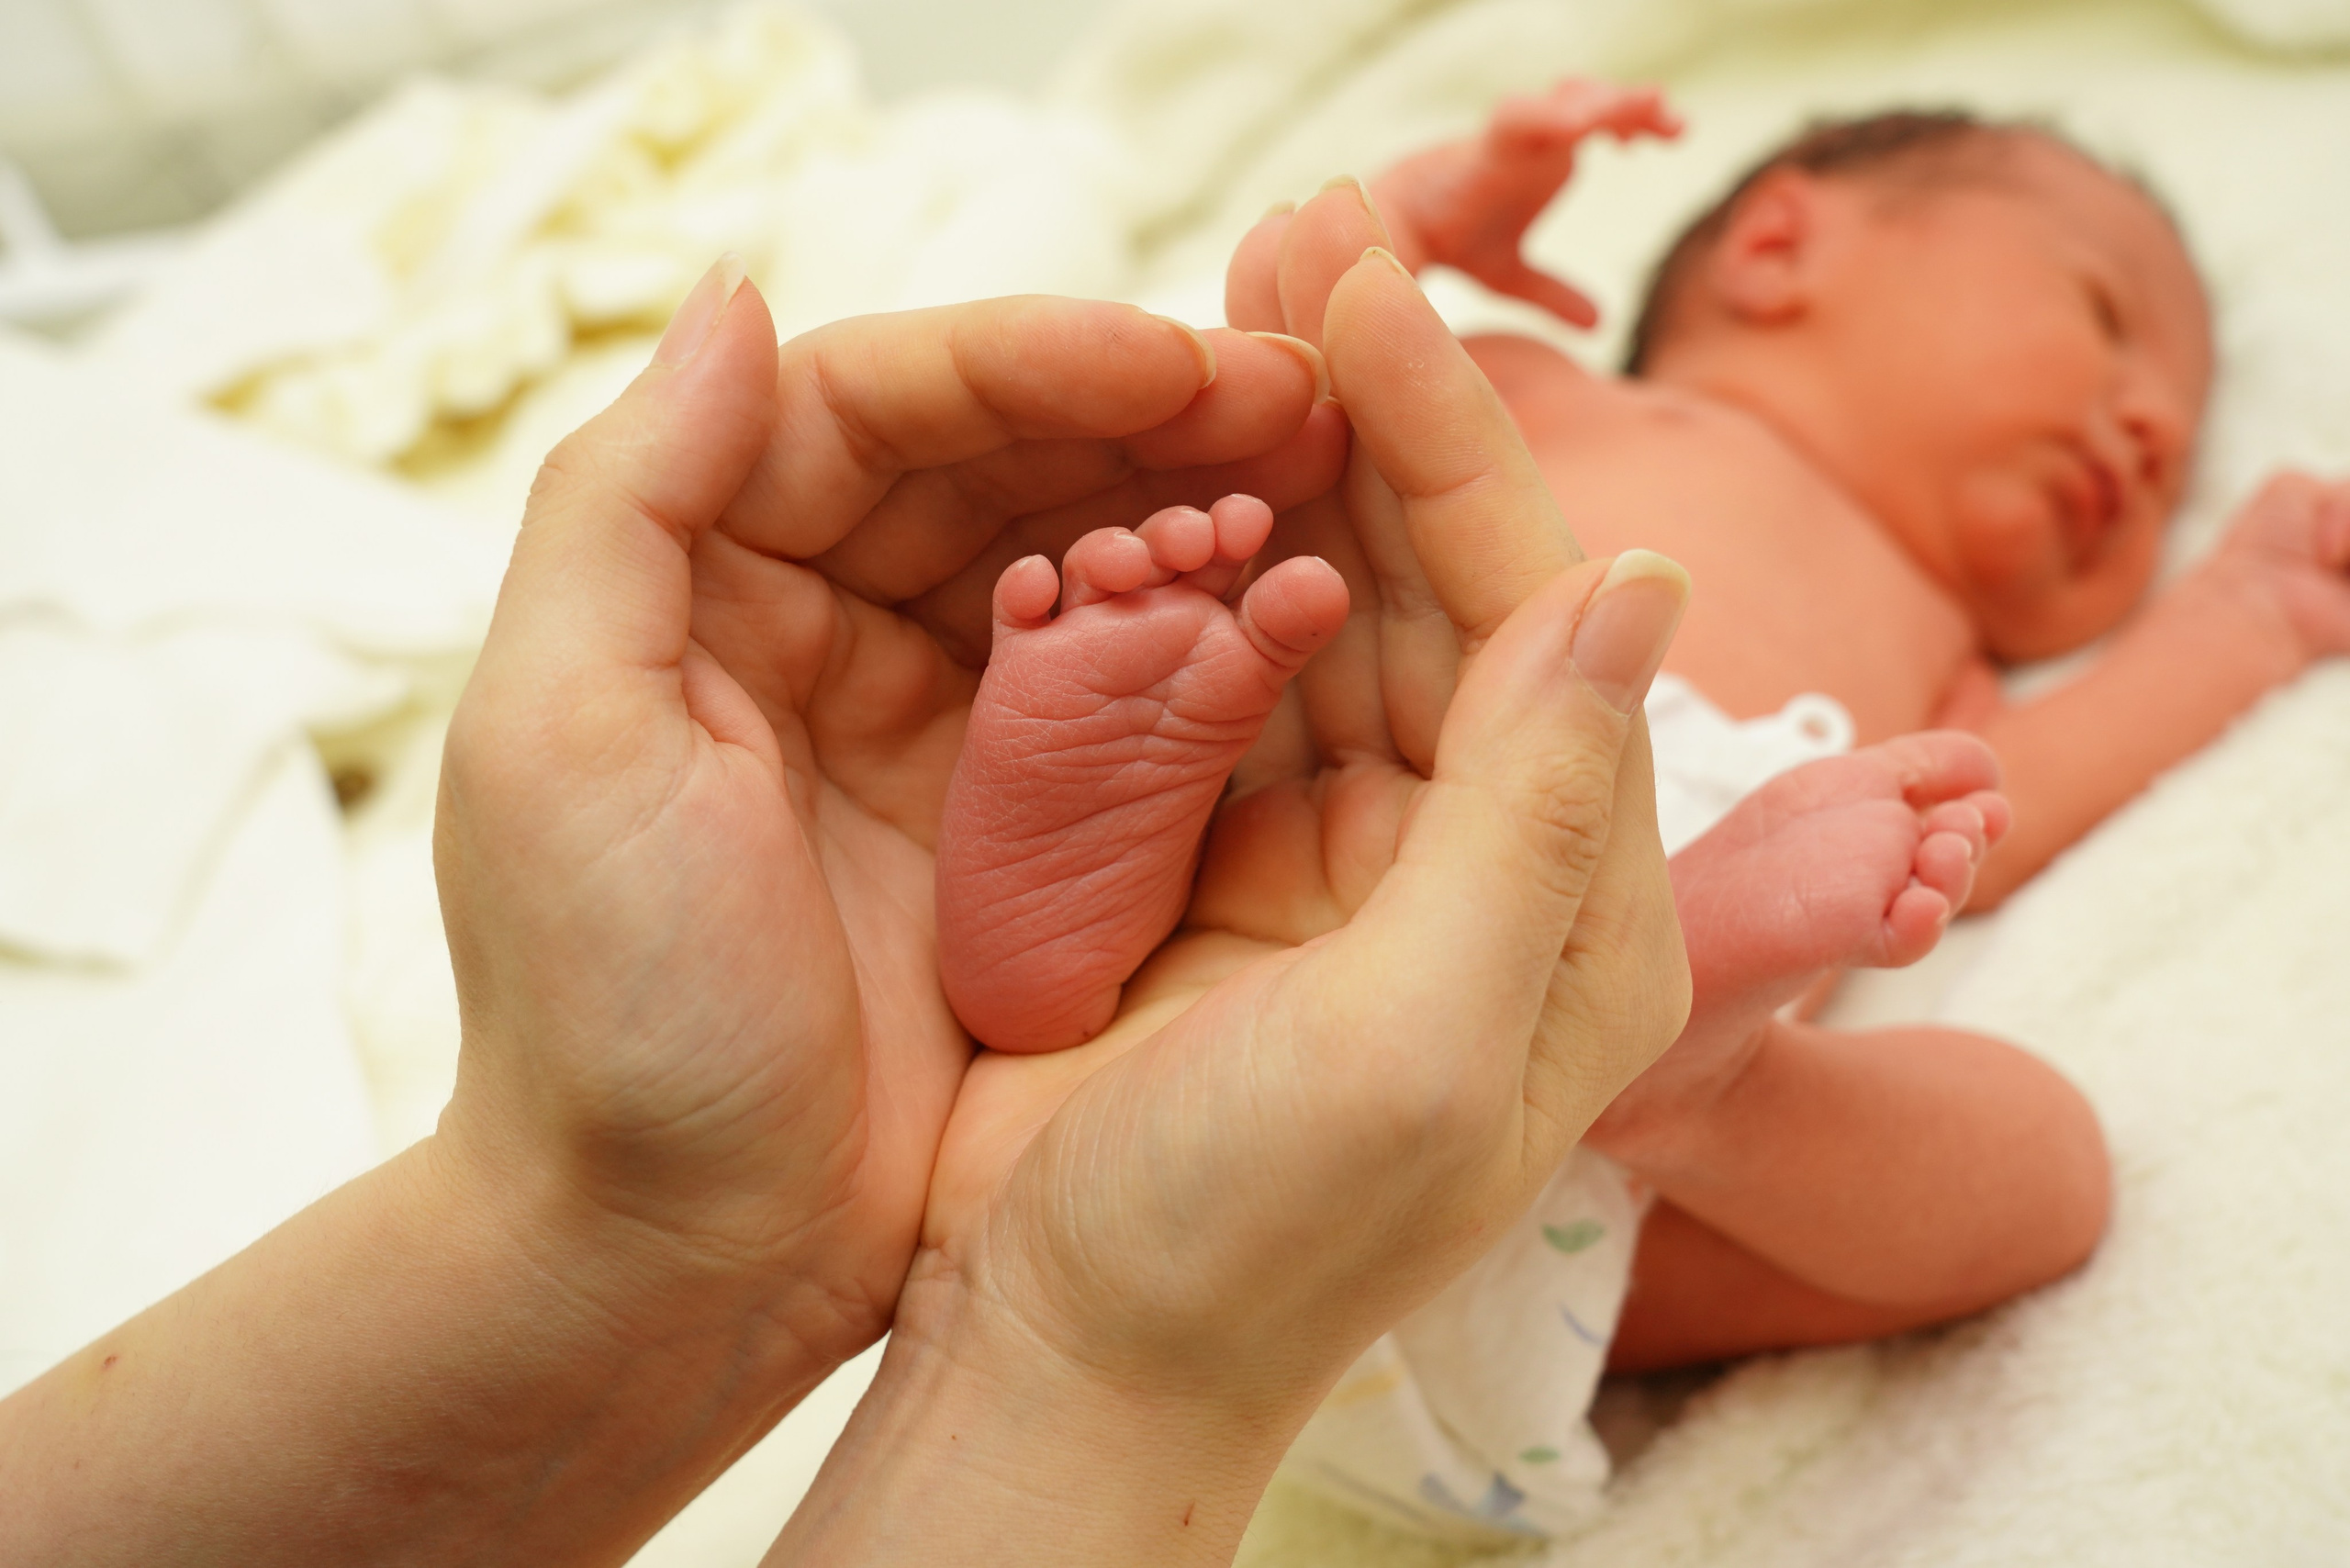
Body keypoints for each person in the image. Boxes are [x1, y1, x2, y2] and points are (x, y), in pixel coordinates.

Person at [0, 244, 1693, 1564]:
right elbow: (1371, 364)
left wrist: (621, 1222)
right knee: (1752, 1080)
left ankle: (1716, 1026)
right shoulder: (1620, 392)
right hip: (1514, 801)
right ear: (1781, 241)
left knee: (1919, 1150)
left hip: (1573, 833)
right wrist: (1097, 1371)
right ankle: (1699, 1025)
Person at [924, 94, 2282, 1535]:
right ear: (1778, 249)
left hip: (1498, 1238)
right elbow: (1301, 367)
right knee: (1280, 579)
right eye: (2104, 315)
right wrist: (1411, 226)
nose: (2151, 431)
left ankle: (1681, 1081)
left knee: (2049, 1174)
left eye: (2183, 456)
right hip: (1345, 864)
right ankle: (1090, 937)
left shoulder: (1949, 650)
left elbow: (2015, 795)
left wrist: (2246, 612)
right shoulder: (1535, 389)